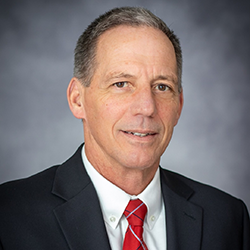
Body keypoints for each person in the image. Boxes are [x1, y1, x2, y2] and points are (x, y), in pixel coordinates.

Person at [0, 6, 249, 250]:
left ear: (179, 106)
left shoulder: (228, 218)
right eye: (121, 83)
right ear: (78, 99)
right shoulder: (9, 215)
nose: (146, 107)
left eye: (162, 87)